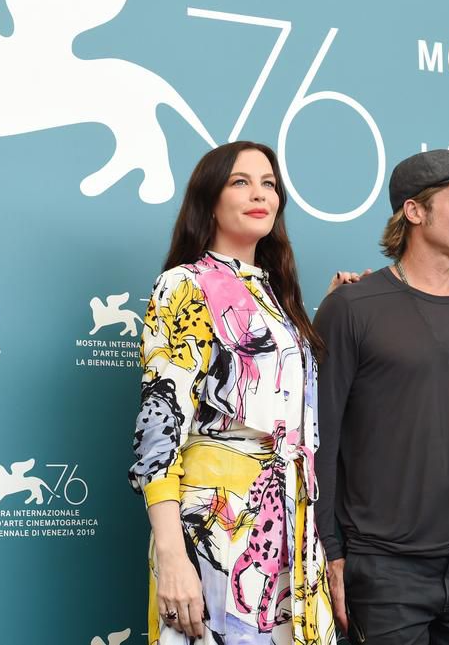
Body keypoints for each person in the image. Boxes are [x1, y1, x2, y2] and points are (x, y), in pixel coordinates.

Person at [129, 141, 336, 645]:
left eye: (269, 184)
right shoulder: (185, 284)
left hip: (289, 521)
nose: (260, 194)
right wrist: (173, 555)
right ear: (210, 200)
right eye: (241, 182)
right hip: (216, 524)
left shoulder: (278, 295)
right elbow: (160, 425)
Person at [314, 149, 449, 645]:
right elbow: (320, 442)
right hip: (385, 571)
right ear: (414, 211)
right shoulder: (352, 308)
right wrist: (331, 554)